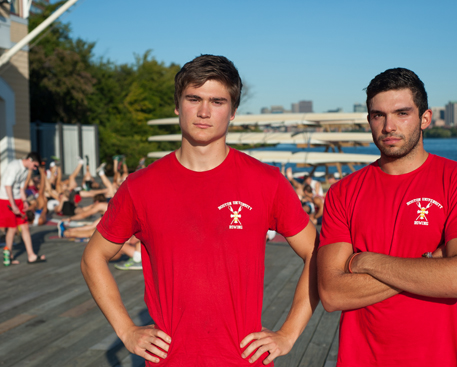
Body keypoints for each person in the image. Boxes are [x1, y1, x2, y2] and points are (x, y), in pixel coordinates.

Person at [81, 54, 319, 366]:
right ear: (178, 106)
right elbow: (92, 258)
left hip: (244, 359)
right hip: (170, 360)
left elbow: (318, 252)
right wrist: (126, 330)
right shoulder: (140, 186)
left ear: (232, 112)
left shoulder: (266, 181)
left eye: (217, 101)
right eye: (194, 98)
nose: (204, 112)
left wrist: (288, 334)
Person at [317, 68, 457, 367]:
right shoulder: (342, 193)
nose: (388, 126)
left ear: (425, 118)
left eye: (401, 113)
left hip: (439, 359)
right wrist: (431, 269)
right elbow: (332, 294)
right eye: (378, 115)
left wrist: (365, 262)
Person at [0, 152, 46, 265]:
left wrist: (24, 201)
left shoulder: (25, 170)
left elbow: (21, 188)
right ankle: (9, 255)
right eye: (35, 165)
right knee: (12, 228)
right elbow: (7, 186)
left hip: (17, 199)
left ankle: (31, 255)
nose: (35, 168)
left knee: (25, 227)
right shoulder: (14, 166)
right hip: (6, 199)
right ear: (29, 160)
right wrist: (13, 205)